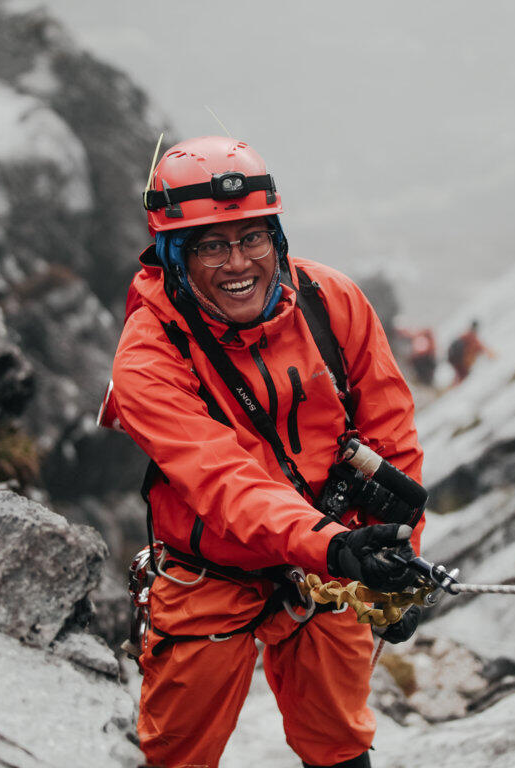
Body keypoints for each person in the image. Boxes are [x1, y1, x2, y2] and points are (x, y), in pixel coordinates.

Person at [104, 136, 426, 768]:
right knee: (178, 753)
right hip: (213, 566)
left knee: (338, 740)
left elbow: (391, 435)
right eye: (210, 245)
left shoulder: (331, 302)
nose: (236, 262)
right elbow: (222, 481)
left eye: (252, 237)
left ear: (276, 239)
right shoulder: (149, 355)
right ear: (174, 257)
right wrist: (333, 547)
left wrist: (394, 557)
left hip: (332, 553)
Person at [446, 320, 496, 384]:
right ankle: (454, 386)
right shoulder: (472, 338)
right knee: (463, 375)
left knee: (460, 374)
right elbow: (481, 348)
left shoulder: (464, 335)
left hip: (454, 358)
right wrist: (492, 355)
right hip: (460, 360)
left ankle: (453, 385)